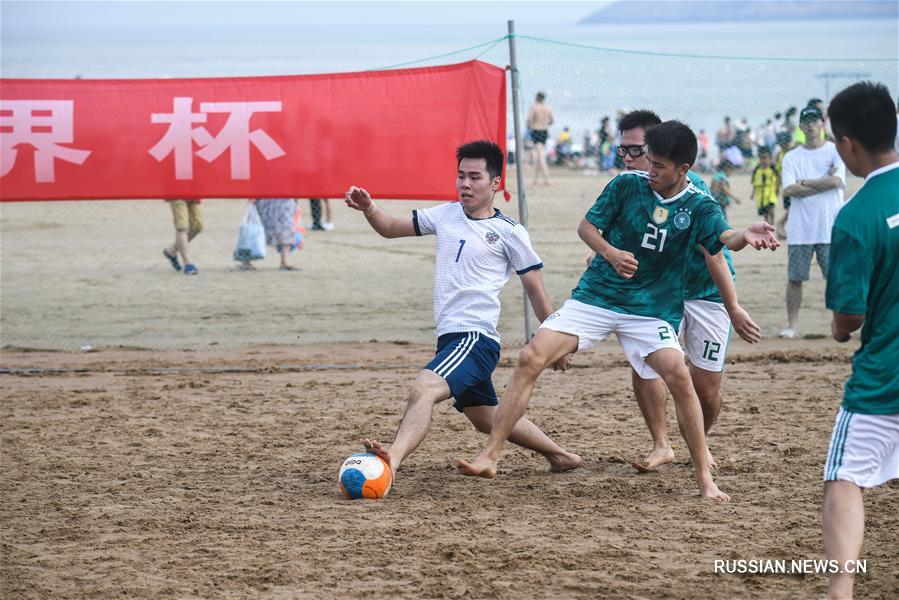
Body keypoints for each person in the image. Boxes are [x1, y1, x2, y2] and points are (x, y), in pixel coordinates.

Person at [457, 122, 780, 501]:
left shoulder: (699, 205)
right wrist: (610, 253)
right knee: (531, 357)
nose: (649, 171)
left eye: (659, 166)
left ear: (683, 169)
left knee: (680, 376)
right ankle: (490, 456)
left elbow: (725, 239)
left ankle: (705, 480)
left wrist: (745, 235)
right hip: (596, 298)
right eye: (649, 162)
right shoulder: (626, 185)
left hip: (651, 311)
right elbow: (586, 227)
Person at [344, 140, 582, 484]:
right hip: (450, 338)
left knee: (424, 388)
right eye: (460, 176)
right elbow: (391, 227)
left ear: (495, 183)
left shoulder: (509, 232)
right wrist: (369, 208)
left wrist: (557, 344)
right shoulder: (446, 214)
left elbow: (536, 293)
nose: (465, 184)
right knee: (485, 417)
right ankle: (561, 457)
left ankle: (391, 458)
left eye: (474, 177)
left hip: (475, 338)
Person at [609, 110, 762, 474]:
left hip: (706, 293)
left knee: (705, 389)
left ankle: (698, 442)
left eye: (636, 150)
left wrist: (734, 307)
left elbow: (717, 253)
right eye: (623, 150)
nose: (628, 158)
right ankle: (662, 445)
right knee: (646, 365)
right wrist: (606, 255)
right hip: (659, 294)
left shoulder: (693, 193)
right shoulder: (629, 187)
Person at [821, 81, 899, 600]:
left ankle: (841, 590)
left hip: (886, 376)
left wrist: (840, 328)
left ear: (847, 144)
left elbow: (848, 315)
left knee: (844, 476)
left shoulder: (855, 216)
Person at [779, 105, 846, 338]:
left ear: (822, 124)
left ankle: (840, 325)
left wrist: (805, 182)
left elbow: (836, 182)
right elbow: (789, 189)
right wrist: (823, 181)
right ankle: (792, 326)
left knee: (836, 279)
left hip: (830, 227)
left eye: (814, 121)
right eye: (806, 121)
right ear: (800, 126)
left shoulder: (835, 150)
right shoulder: (791, 157)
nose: (810, 125)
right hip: (801, 229)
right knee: (795, 279)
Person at [239, 198, 302, 271]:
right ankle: (246, 260)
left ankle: (285, 261)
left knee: (286, 226)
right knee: (256, 226)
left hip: (285, 197)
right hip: (265, 196)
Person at [162, 198, 202, 275]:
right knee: (182, 227)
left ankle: (171, 250)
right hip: (177, 195)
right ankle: (187, 263)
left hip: (194, 194)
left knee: (197, 226)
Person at [526, 92, 554, 186]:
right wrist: (544, 123)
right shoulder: (548, 108)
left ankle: (547, 179)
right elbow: (552, 120)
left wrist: (530, 125)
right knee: (539, 155)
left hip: (536, 131)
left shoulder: (534, 107)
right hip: (545, 131)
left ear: (536, 98)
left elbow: (530, 119)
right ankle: (536, 180)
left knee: (541, 156)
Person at [750, 147, 780, 226]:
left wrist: (777, 189)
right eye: (761, 158)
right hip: (761, 195)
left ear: (770, 158)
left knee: (771, 210)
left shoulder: (773, 169)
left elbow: (777, 180)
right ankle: (767, 225)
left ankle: (771, 224)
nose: (763, 161)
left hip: (770, 193)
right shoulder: (757, 170)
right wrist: (753, 193)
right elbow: (755, 183)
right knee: (765, 213)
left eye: (765, 158)